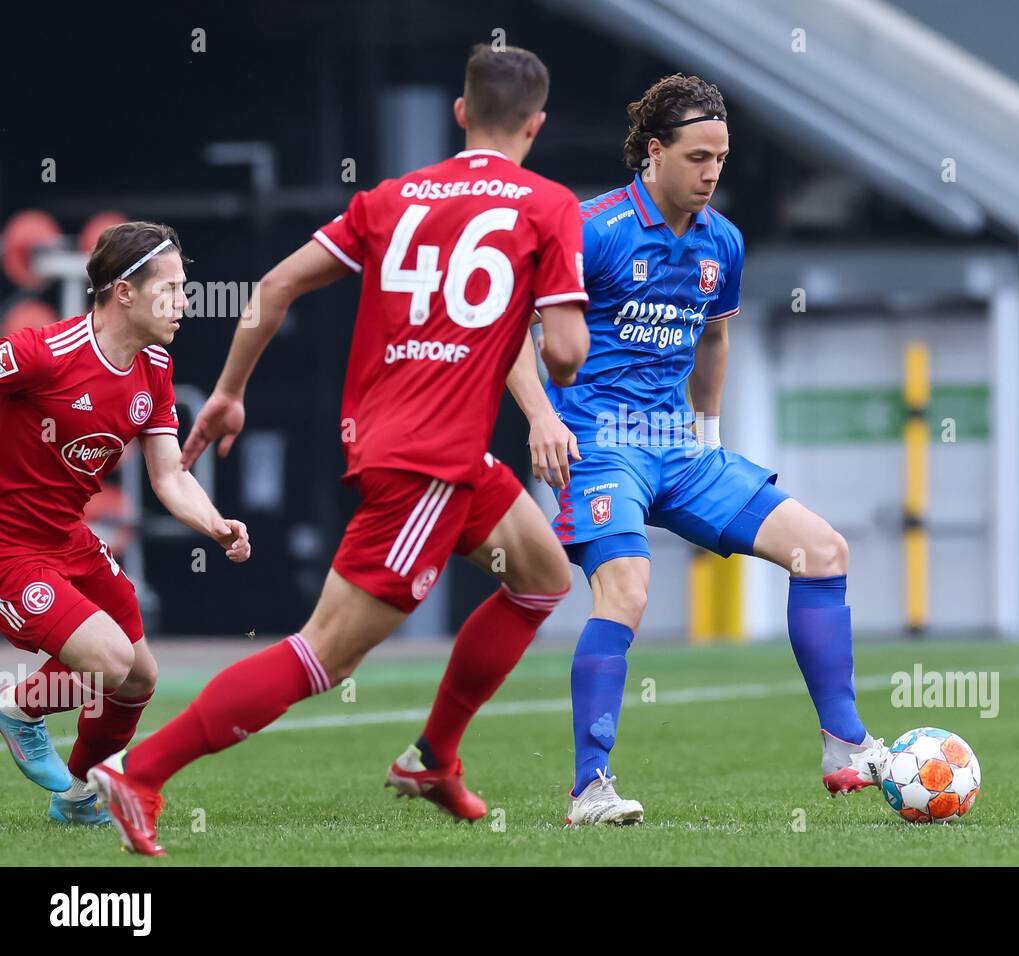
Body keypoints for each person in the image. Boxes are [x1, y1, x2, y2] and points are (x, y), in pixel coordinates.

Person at [88, 44, 590, 856]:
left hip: (412, 445)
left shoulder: (391, 198)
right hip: (429, 463)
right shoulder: (549, 205)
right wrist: (553, 321)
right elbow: (564, 350)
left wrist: (227, 392)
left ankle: (432, 758)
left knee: (541, 576)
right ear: (538, 123)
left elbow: (273, 288)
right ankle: (141, 772)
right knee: (321, 654)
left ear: (459, 115)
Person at [506, 74, 888, 826]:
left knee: (823, 550)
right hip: (598, 444)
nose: (713, 172)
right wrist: (539, 420)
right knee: (629, 590)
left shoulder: (724, 241)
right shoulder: (595, 229)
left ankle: (843, 744)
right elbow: (513, 330)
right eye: (698, 156)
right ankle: (591, 789)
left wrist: (709, 431)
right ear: (655, 151)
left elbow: (714, 335)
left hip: (679, 451)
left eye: (722, 157)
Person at [0, 222, 250, 825]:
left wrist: (215, 525)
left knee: (138, 679)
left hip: (68, 538)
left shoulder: (154, 367)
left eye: (185, 289)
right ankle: (19, 708)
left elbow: (168, 475)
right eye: (171, 289)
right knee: (108, 661)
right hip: (10, 545)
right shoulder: (42, 353)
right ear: (124, 292)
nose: (184, 302)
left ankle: (80, 795)